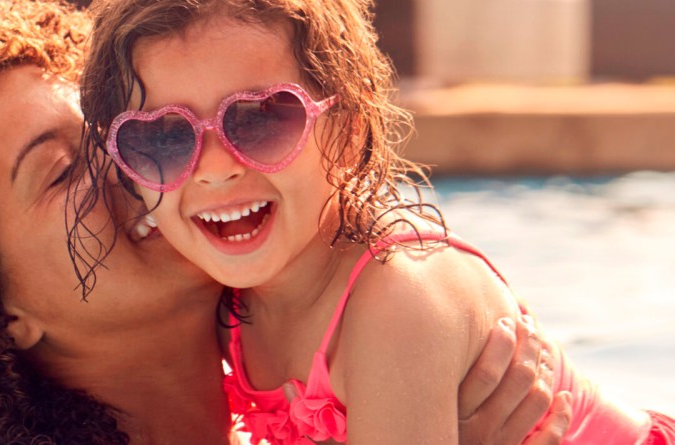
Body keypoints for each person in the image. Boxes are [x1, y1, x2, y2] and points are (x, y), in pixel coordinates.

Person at [0, 0, 569, 443]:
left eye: (126, 128)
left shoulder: (331, 326)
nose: (158, 164)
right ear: (0, 314)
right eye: (61, 170)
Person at [76, 0, 673, 443]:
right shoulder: (227, 298)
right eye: (163, 140)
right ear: (128, 168)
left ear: (351, 125)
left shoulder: (398, 299)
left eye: (260, 119)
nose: (213, 171)